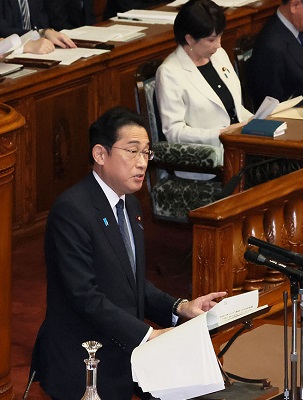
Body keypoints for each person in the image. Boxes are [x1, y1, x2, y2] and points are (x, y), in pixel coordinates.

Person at [31, 107, 227, 400]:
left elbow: (130, 281)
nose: (142, 163)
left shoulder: (130, 206)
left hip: (125, 350)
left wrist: (179, 307)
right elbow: (84, 296)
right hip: (85, 358)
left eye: (146, 153)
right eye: (132, 151)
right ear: (100, 154)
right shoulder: (72, 210)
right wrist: (148, 335)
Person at [154, 0, 250, 179]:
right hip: (209, 162)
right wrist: (220, 134)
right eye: (212, 40)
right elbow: (174, 132)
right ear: (190, 39)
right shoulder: (169, 73)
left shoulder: (218, 55)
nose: (219, 45)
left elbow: (234, 108)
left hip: (240, 147)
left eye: (220, 36)